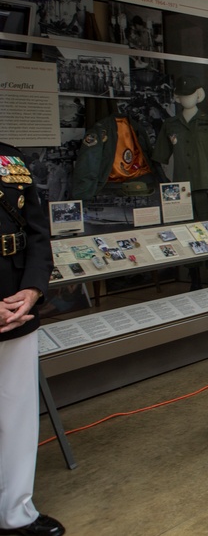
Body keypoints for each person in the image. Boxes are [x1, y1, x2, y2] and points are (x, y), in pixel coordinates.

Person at [0, 142, 66, 536]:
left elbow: (37, 231)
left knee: (17, 416)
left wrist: (33, 288)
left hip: (16, 303)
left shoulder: (9, 157)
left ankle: (16, 513)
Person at [152, 77, 208, 219]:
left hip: (205, 184)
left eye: (190, 94)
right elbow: (160, 156)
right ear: (178, 97)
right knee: (181, 224)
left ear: (198, 95)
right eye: (183, 95)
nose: (187, 99)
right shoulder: (170, 124)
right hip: (180, 186)